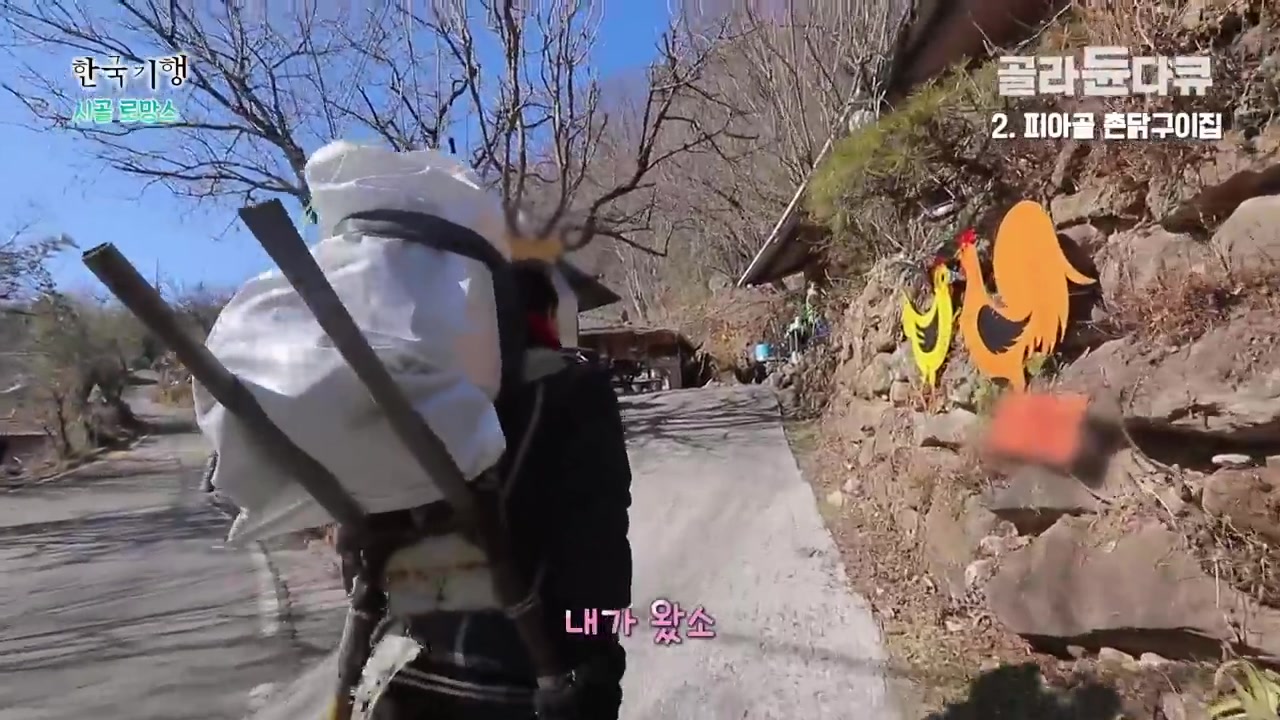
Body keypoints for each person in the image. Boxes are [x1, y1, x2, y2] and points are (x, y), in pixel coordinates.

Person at [374, 259, 634, 719]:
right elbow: (597, 541)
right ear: (547, 314)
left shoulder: (422, 395)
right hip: (532, 675)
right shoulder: (573, 387)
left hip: (418, 667)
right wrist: (596, 655)